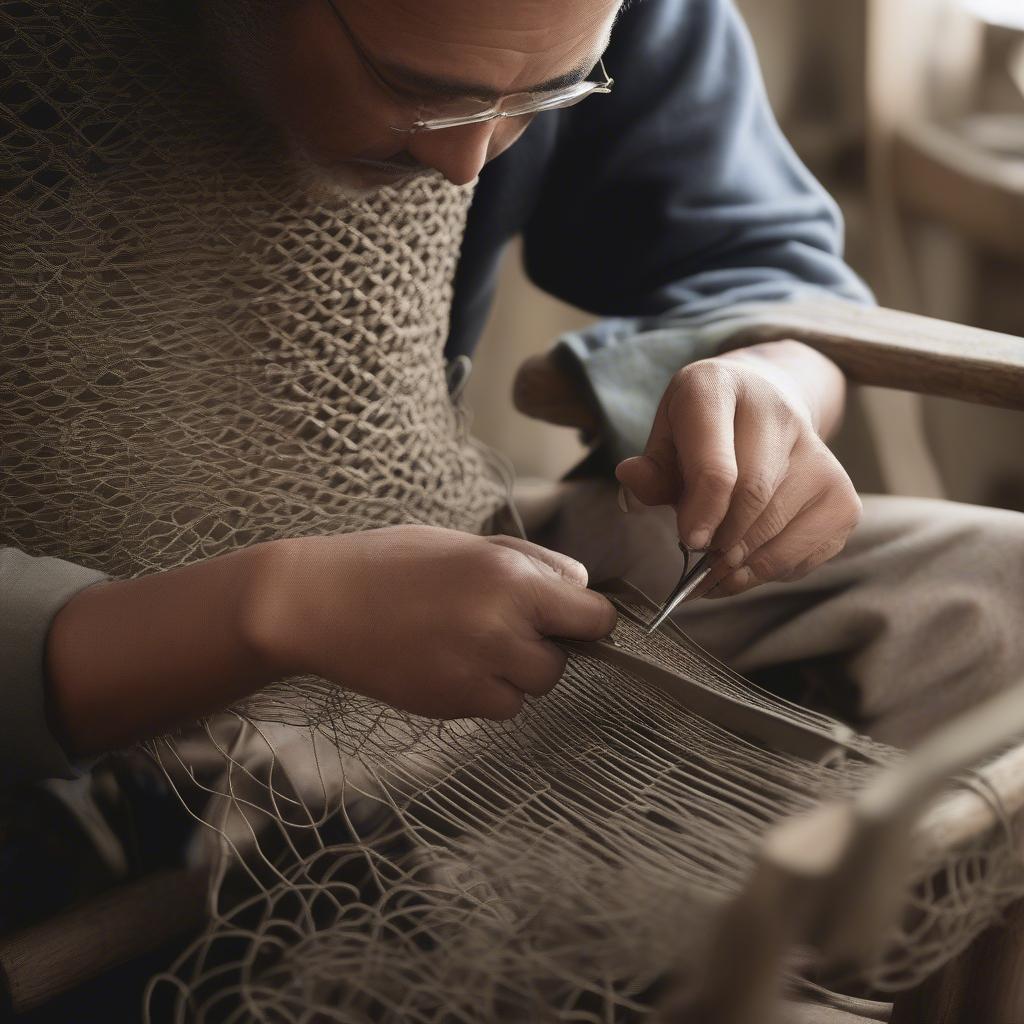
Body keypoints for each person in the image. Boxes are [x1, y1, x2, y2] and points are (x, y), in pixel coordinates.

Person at [2, 0, 1022, 796]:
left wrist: (768, 387)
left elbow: (753, 256)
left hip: (439, 577)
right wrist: (278, 606)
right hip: (90, 711)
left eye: (552, 92)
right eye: (416, 87)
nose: (467, 163)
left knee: (993, 598)